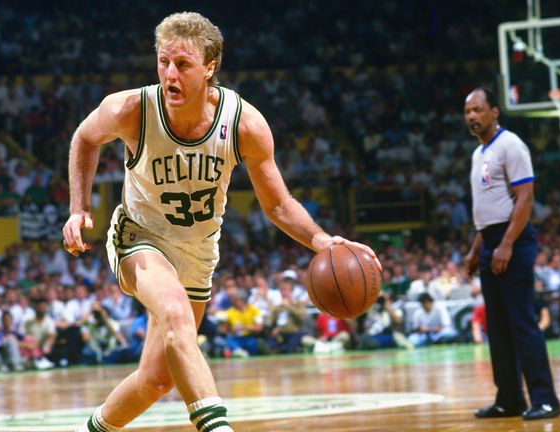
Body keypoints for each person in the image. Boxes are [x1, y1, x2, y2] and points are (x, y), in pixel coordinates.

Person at [62, 12, 380, 432]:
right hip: (140, 237)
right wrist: (78, 207)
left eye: (182, 65)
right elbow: (85, 138)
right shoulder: (132, 109)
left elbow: (279, 204)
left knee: (156, 379)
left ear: (210, 67)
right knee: (174, 313)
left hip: (197, 252)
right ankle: (218, 427)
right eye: (163, 62)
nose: (169, 74)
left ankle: (94, 428)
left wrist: (322, 241)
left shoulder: (244, 123)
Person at [463, 87, 560, 420]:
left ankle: (546, 399)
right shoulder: (478, 154)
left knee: (522, 322)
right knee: (498, 327)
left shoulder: (511, 145)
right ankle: (509, 399)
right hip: (491, 240)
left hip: (514, 241)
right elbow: (488, 210)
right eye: (467, 112)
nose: (472, 117)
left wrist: (505, 244)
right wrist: (477, 249)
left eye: (478, 110)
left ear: (494, 112)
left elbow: (525, 199)